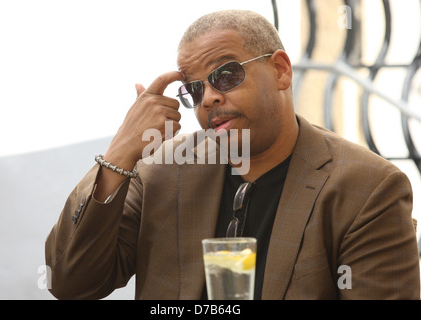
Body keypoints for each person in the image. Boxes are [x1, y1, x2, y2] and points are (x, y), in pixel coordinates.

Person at [45, 10, 420, 300]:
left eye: (225, 76)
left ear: (280, 71)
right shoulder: (162, 171)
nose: (208, 97)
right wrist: (121, 153)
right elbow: (70, 281)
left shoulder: (366, 186)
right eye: (194, 89)